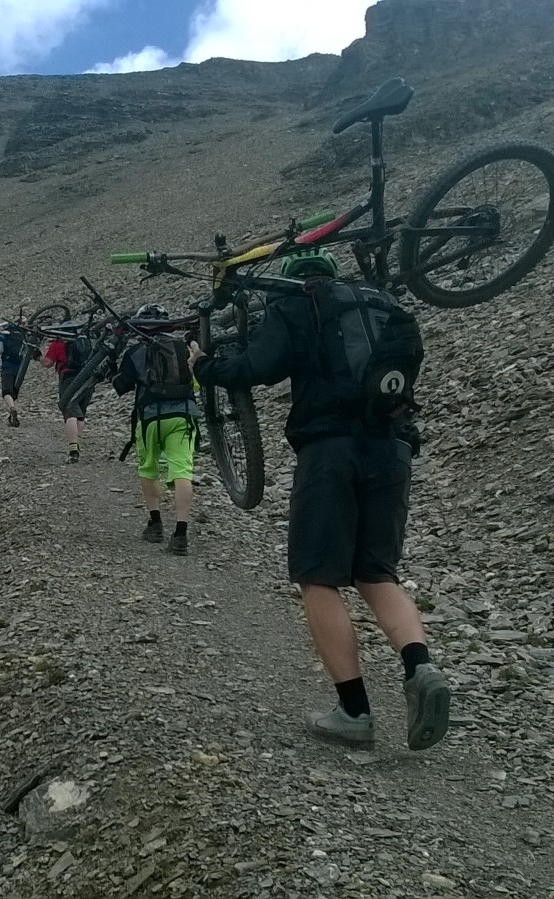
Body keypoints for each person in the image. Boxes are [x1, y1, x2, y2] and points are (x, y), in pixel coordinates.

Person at [189, 248, 450, 752]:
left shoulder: (298, 303)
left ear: (293, 278)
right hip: (392, 450)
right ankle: (421, 667)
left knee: (317, 576)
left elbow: (255, 367)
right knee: (377, 573)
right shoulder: (381, 303)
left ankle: (354, 711)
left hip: (330, 450)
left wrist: (206, 366)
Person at [110, 304, 197, 556]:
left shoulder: (136, 351)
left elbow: (120, 385)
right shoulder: (182, 347)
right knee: (182, 471)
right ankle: (181, 534)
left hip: (150, 418)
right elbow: (197, 382)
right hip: (183, 416)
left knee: (148, 468)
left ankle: (156, 523)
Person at [43, 329, 93, 463]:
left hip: (68, 379)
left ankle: (73, 450)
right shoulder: (85, 341)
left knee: (70, 411)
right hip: (87, 379)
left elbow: (48, 363)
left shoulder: (58, 343)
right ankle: (76, 443)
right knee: (81, 413)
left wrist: (37, 357)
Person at [0, 323, 29, 427]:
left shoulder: (3, 335)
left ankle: (12, 409)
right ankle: (12, 417)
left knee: (6, 392)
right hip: (20, 369)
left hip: (7, 367)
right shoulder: (23, 335)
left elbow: (0, 350)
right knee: (14, 393)